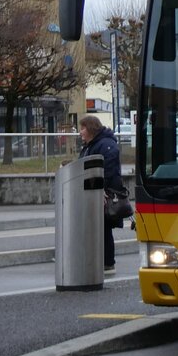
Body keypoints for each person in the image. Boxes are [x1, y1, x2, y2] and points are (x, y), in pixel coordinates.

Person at [78, 115, 124, 276]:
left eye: (83, 128)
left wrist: (101, 189)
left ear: (91, 128)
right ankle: (97, 261)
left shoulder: (105, 145)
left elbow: (109, 170)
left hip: (102, 194)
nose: (80, 132)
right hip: (92, 192)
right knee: (96, 228)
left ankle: (107, 262)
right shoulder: (92, 145)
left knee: (103, 228)